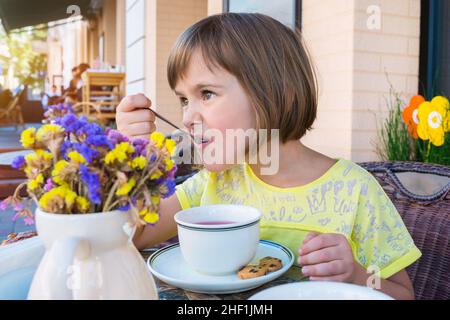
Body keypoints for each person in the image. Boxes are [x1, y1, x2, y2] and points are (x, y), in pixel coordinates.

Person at [115, 13, 421, 299]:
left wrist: (355, 275)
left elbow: (403, 294)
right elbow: (131, 235)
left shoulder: (355, 190)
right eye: (184, 100)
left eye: (206, 94)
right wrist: (130, 158)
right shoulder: (212, 183)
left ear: (277, 93)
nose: (187, 117)